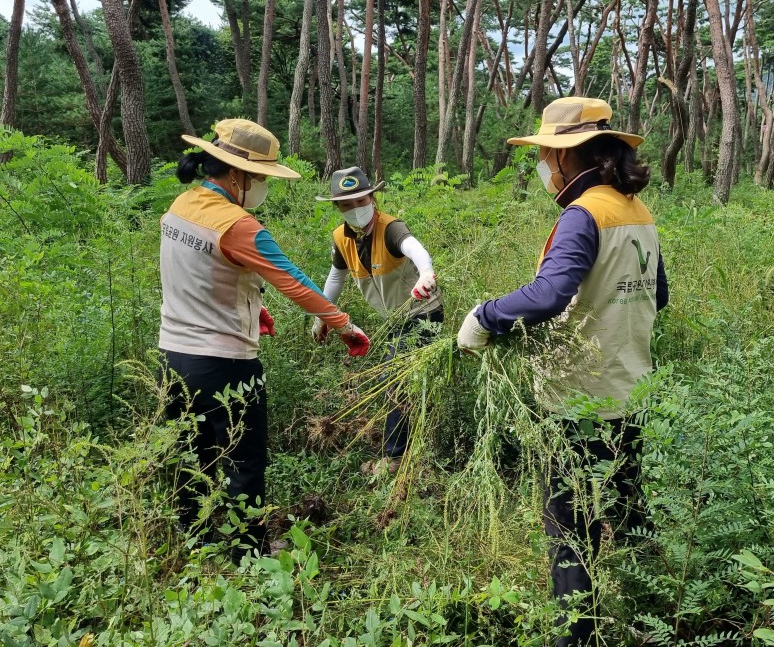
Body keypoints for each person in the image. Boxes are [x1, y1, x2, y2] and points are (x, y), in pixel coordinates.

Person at [457, 97, 669, 647]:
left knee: (568, 524)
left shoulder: (583, 214)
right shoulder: (635, 212)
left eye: (547, 154)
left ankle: (575, 635)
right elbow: (658, 296)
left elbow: (550, 294)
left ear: (569, 157)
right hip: (632, 390)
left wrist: (486, 316)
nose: (544, 166)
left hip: (578, 399)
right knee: (626, 507)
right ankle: (655, 616)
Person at [159, 120, 370, 560]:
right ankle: (249, 555)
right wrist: (344, 325)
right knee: (244, 460)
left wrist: (256, 308)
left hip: (174, 356)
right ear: (237, 174)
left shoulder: (182, 205)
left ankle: (193, 540)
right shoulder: (237, 224)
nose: (262, 188)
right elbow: (293, 280)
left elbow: (200, 274)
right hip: (226, 364)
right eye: (261, 178)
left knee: (190, 456)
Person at [311, 166, 443, 462]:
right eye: (347, 204)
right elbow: (336, 278)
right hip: (393, 319)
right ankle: (423, 437)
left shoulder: (391, 227)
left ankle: (395, 457)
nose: (355, 209)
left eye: (361, 201)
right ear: (337, 207)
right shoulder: (341, 238)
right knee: (410, 378)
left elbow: (416, 250)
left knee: (392, 377)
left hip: (421, 312)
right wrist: (322, 316)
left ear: (372, 198)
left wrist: (426, 274)